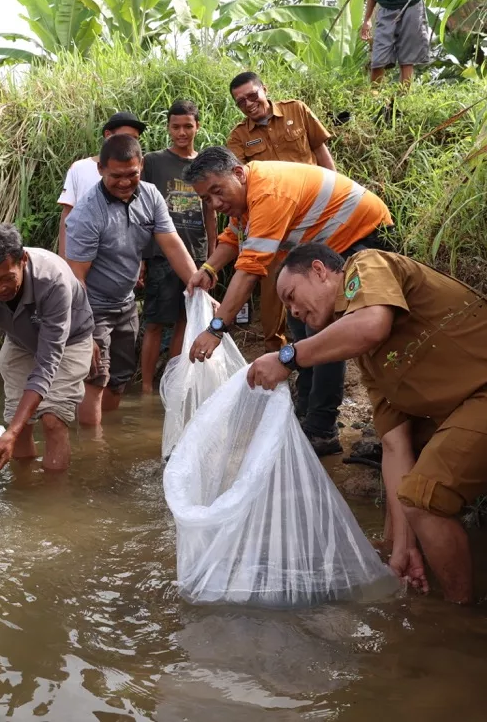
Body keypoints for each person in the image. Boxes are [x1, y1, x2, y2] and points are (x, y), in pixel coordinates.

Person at [247, 244, 487, 604]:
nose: (293, 310)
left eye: (291, 295)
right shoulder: (368, 358)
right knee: (406, 482)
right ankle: (402, 555)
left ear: (320, 271)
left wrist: (289, 356)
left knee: (422, 500)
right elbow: (394, 444)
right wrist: (402, 548)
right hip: (478, 402)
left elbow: (372, 324)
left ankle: (457, 622)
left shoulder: (366, 265)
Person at [184, 147, 394, 456]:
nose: (215, 203)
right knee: (300, 321)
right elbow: (233, 237)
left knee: (325, 335)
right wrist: (209, 268)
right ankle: (305, 411)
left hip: (363, 237)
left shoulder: (269, 193)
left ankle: (321, 429)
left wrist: (216, 329)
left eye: (217, 191)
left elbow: (250, 269)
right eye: (206, 199)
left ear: (238, 174)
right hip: (318, 250)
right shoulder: (246, 197)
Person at [65, 134, 198, 425]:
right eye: (116, 176)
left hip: (126, 305)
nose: (125, 182)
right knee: (95, 377)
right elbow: (76, 280)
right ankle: (93, 452)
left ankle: (105, 433)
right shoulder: (86, 213)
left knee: (119, 380)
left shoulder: (150, 195)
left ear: (141, 167)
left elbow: (172, 243)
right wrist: (84, 332)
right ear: (100, 169)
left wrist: (197, 284)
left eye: (132, 174)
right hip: (92, 307)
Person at [0, 224, 94, 470]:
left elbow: (47, 362)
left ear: (23, 260)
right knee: (18, 426)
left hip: (69, 342)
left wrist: (12, 430)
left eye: (7, 278)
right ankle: (24, 493)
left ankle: (53, 499)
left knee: (52, 419)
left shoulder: (52, 280)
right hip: (19, 340)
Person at [224, 71, 337, 353]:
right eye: (241, 102)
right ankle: (276, 350)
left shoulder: (296, 110)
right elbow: (236, 183)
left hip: (311, 214)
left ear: (265, 88)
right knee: (275, 284)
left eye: (253, 96)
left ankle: (325, 339)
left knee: (319, 275)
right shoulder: (238, 137)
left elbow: (320, 152)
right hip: (271, 220)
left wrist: (335, 186)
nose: (249, 104)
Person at [138, 99, 218, 393]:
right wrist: (142, 258)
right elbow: (141, 209)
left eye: (188, 126)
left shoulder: (204, 165)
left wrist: (212, 256)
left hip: (196, 257)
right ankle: (146, 387)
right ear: (168, 128)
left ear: (198, 126)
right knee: (156, 322)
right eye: (176, 127)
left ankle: (170, 383)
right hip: (161, 256)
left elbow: (211, 211)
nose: (182, 132)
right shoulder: (155, 161)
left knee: (184, 323)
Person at [56, 111, 147, 258]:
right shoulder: (79, 168)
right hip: (82, 253)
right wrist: (63, 258)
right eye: (125, 137)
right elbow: (67, 215)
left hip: (123, 259)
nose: (131, 144)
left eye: (135, 139)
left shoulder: (135, 172)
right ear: (108, 135)